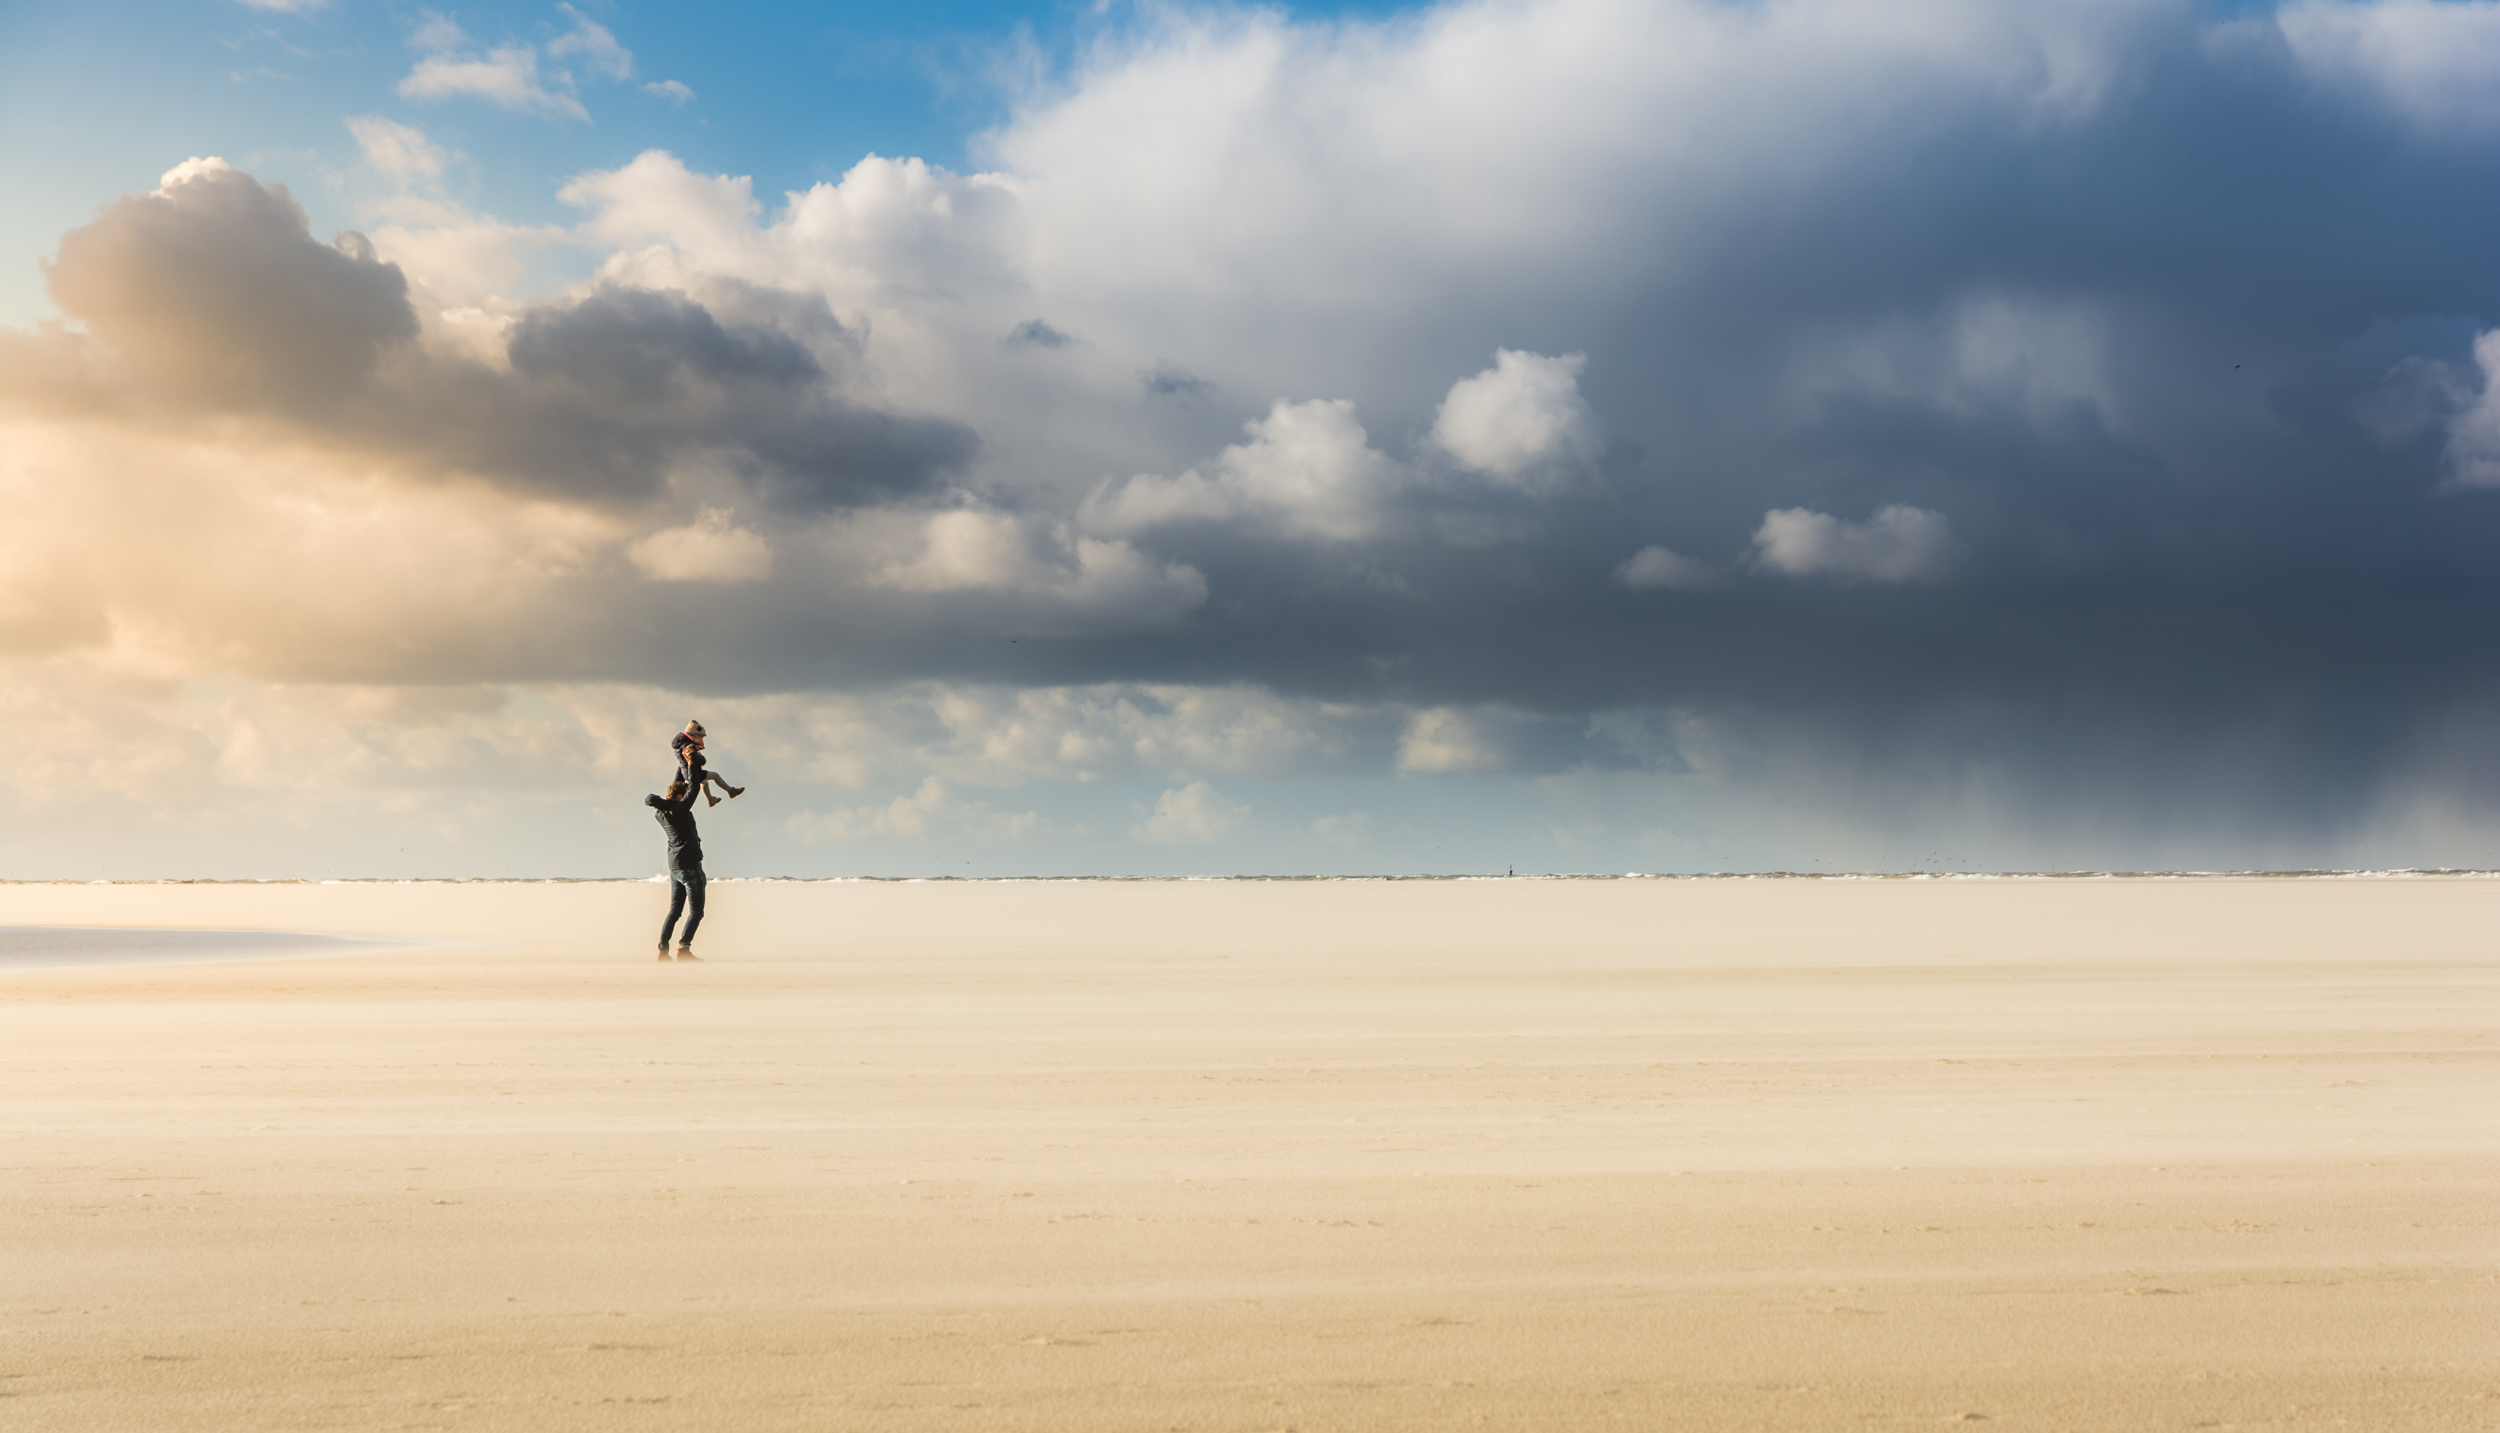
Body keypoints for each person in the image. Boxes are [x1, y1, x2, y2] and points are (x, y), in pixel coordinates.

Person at [646, 777, 706, 961]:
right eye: (684, 795)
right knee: (696, 912)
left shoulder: (661, 813)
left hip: (675, 867)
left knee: (674, 912)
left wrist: (682, 763)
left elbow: (650, 799)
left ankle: (663, 952)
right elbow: (695, 787)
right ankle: (684, 950)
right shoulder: (680, 810)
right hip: (690, 867)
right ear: (680, 796)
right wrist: (693, 766)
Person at [671, 720, 745, 808]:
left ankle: (710, 799)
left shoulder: (681, 745)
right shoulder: (688, 746)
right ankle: (731, 791)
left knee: (705, 782)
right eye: (700, 738)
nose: (701, 740)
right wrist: (702, 759)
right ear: (694, 736)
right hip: (692, 773)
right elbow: (692, 757)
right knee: (715, 775)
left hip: (687, 773)